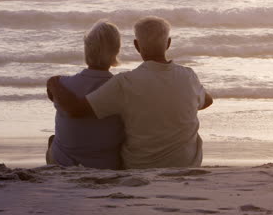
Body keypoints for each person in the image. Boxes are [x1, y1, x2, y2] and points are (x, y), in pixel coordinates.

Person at [47, 16, 213, 169]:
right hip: (188, 165)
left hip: (140, 167)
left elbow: (76, 109)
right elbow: (207, 101)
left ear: (136, 46)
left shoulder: (126, 83)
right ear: (168, 43)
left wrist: (53, 82)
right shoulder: (189, 76)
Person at [46, 20, 124, 170]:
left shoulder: (61, 84)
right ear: (116, 51)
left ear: (87, 49)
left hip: (65, 164)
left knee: (53, 141)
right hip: (107, 165)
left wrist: (53, 83)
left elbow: (53, 97)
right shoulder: (122, 88)